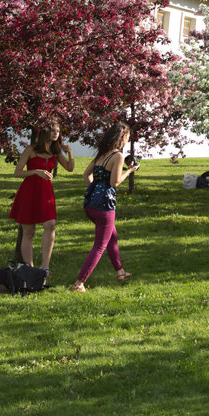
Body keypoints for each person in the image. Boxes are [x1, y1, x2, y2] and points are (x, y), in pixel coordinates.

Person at [69, 122, 137, 291]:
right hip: (104, 206)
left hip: (91, 203)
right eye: (127, 137)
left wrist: (96, 189)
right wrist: (130, 171)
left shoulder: (101, 155)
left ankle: (120, 272)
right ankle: (79, 283)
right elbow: (114, 182)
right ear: (122, 138)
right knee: (100, 246)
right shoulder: (118, 156)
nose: (128, 140)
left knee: (111, 236)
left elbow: (86, 175)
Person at [9, 121, 74, 275]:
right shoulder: (31, 150)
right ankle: (30, 269)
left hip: (46, 192)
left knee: (50, 225)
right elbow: (17, 172)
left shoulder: (56, 152)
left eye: (58, 131)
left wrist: (70, 152)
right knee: (29, 231)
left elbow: (70, 168)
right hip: (29, 191)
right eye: (52, 130)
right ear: (45, 132)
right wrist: (35, 171)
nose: (56, 133)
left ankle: (44, 266)